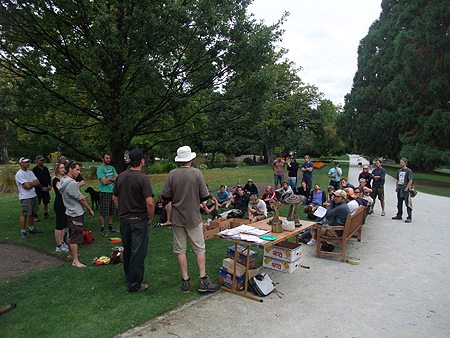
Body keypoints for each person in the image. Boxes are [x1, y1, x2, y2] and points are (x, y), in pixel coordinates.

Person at [161, 146, 217, 293]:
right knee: (199, 249)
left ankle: (185, 281)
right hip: (193, 217)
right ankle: (203, 279)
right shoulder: (197, 173)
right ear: (190, 159)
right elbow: (205, 195)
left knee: (180, 250)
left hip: (177, 217)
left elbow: (165, 196)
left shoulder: (172, 174)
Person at [112, 148, 154, 292]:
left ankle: (129, 275)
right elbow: (149, 202)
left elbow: (115, 197)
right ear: (142, 161)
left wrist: (121, 211)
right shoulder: (142, 178)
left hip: (124, 220)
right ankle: (135, 284)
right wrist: (151, 216)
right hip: (138, 220)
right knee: (138, 252)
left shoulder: (121, 177)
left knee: (128, 249)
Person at [59, 160, 95, 267]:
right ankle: (75, 261)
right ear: (70, 169)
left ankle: (71, 254)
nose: (78, 172)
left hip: (69, 211)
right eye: (77, 169)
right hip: (75, 212)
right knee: (75, 236)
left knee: (70, 234)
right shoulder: (72, 183)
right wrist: (90, 209)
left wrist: (81, 196)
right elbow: (81, 199)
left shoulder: (63, 181)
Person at [15, 157, 43, 238]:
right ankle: (23, 232)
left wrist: (31, 184)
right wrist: (31, 183)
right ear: (21, 163)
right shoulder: (19, 174)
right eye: (25, 162)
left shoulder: (30, 172)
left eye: (28, 162)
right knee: (25, 214)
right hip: (25, 197)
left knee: (32, 213)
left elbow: (37, 182)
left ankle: (31, 228)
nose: (27, 163)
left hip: (33, 195)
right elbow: (26, 186)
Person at [97, 153, 119, 237]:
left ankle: (110, 227)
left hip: (112, 191)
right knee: (103, 211)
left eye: (109, 158)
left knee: (111, 211)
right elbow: (104, 182)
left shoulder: (112, 168)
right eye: (106, 158)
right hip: (104, 192)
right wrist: (113, 179)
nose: (108, 160)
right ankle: (102, 229)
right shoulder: (100, 169)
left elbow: (118, 178)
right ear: (103, 159)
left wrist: (110, 179)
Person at [52, 163, 69, 252]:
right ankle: (59, 245)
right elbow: (60, 189)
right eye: (61, 168)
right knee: (59, 224)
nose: (63, 169)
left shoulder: (64, 178)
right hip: (59, 203)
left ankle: (62, 242)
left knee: (63, 224)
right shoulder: (56, 180)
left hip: (65, 203)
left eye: (63, 168)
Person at [32, 155, 53, 221]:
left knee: (46, 201)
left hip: (45, 186)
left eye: (43, 160)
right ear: (37, 161)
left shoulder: (45, 168)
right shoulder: (35, 170)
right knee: (37, 201)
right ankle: (35, 215)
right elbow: (34, 179)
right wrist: (41, 187)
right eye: (41, 160)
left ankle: (46, 213)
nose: (42, 161)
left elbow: (48, 177)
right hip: (38, 188)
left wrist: (50, 185)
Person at [392, 158, 413, 223]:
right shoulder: (399, 171)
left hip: (405, 188)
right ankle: (399, 214)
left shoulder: (408, 171)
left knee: (407, 203)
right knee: (399, 203)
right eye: (400, 162)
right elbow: (397, 179)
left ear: (405, 163)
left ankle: (409, 217)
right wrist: (397, 186)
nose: (401, 163)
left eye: (402, 162)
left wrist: (407, 187)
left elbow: (410, 180)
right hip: (400, 188)